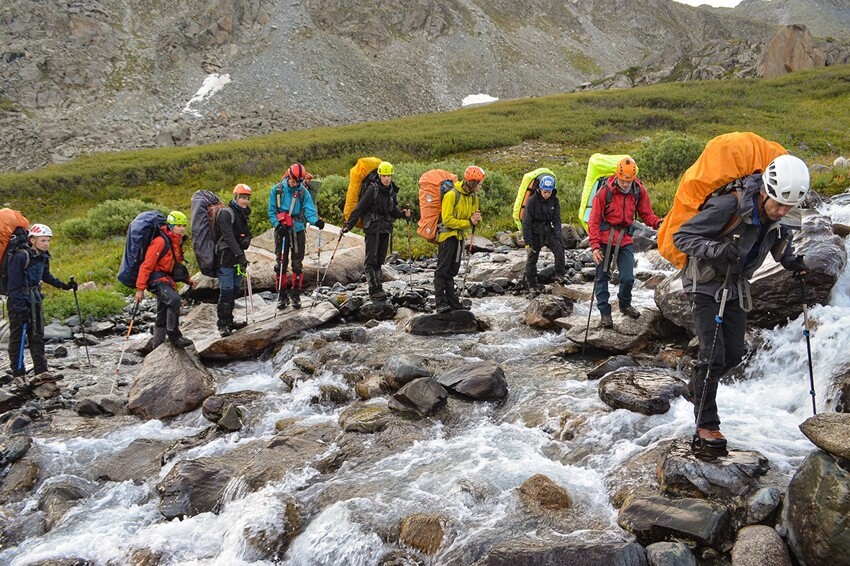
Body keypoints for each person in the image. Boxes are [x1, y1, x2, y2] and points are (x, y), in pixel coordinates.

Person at [673, 153, 809, 449]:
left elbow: (778, 241)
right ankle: (706, 424)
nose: (782, 210)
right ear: (764, 191)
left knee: (734, 353)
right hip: (704, 284)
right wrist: (715, 250)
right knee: (713, 355)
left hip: (735, 286)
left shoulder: (781, 213)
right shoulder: (729, 205)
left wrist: (791, 261)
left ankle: (697, 387)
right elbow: (681, 237)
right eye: (778, 203)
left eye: (789, 206)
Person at [588, 157, 662, 328]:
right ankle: (605, 314)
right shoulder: (604, 192)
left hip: (625, 239)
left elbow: (646, 214)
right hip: (605, 238)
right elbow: (594, 220)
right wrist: (595, 246)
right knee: (602, 276)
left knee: (628, 278)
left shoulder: (638, 190)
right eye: (622, 181)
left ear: (633, 178)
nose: (625, 184)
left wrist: (657, 223)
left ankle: (625, 304)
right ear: (617, 176)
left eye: (628, 181)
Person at [6, 223, 77, 388]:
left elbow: (46, 276)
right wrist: (20, 308)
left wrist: (65, 286)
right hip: (19, 302)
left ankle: (41, 371)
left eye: (48, 240)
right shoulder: (21, 256)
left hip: (35, 299)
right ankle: (19, 374)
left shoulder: (43, 256)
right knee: (18, 339)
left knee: (37, 335)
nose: (46, 244)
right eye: (43, 240)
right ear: (32, 240)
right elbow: (13, 285)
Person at [342, 161, 411, 300]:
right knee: (371, 260)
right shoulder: (372, 189)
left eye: (389, 175)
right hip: (372, 228)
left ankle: (379, 287)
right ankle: (373, 290)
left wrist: (403, 214)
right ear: (379, 175)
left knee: (380, 259)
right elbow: (359, 208)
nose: (386, 178)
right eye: (384, 175)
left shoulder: (391, 190)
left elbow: (392, 210)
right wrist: (349, 225)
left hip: (385, 228)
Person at [268, 163, 324, 309]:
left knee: (297, 263)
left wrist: (316, 221)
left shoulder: (303, 192)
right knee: (281, 263)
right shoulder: (277, 190)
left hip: (298, 230)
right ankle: (281, 296)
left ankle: (296, 295)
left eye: (299, 181)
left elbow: (309, 210)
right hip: (282, 230)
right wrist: (278, 225)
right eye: (294, 180)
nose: (296, 183)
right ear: (289, 175)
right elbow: (272, 210)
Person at [135, 211, 193, 348]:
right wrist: (140, 289)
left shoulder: (176, 242)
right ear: (171, 225)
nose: (182, 228)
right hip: (156, 279)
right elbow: (146, 265)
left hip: (166, 279)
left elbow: (175, 267)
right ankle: (174, 335)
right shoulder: (160, 242)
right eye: (179, 225)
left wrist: (187, 281)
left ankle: (158, 346)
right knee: (174, 300)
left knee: (162, 314)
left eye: (184, 225)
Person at [433, 165, 484, 313]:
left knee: (452, 271)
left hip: (459, 237)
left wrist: (476, 219)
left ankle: (452, 302)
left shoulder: (473, 197)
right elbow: (447, 219)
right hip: (447, 236)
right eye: (479, 183)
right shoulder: (451, 195)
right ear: (473, 183)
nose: (480, 186)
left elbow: (474, 216)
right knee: (442, 270)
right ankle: (440, 303)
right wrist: (469, 222)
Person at [215, 183, 253, 336]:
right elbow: (229, 238)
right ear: (236, 197)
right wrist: (241, 257)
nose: (245, 201)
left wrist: (247, 241)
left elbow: (247, 233)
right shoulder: (225, 214)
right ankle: (223, 324)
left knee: (235, 290)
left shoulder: (243, 214)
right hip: (225, 259)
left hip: (237, 260)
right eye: (243, 198)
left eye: (247, 198)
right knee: (226, 291)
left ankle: (230, 320)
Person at [522, 174, 566, 292]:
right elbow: (526, 222)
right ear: (540, 189)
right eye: (545, 192)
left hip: (548, 230)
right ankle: (532, 283)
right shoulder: (531, 201)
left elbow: (557, 219)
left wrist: (558, 234)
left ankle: (559, 276)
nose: (547, 194)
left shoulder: (555, 200)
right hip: (534, 232)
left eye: (549, 192)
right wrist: (528, 242)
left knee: (559, 249)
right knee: (532, 257)